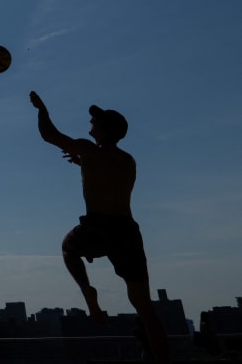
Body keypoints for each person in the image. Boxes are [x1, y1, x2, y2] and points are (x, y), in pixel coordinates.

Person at [29, 92, 169, 363]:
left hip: (99, 225)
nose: (90, 122)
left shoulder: (89, 150)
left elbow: (49, 135)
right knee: (146, 309)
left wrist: (41, 109)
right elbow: (109, 179)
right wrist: (84, 164)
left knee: (68, 248)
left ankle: (87, 291)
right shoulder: (127, 160)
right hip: (127, 230)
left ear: (103, 130)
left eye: (95, 121)